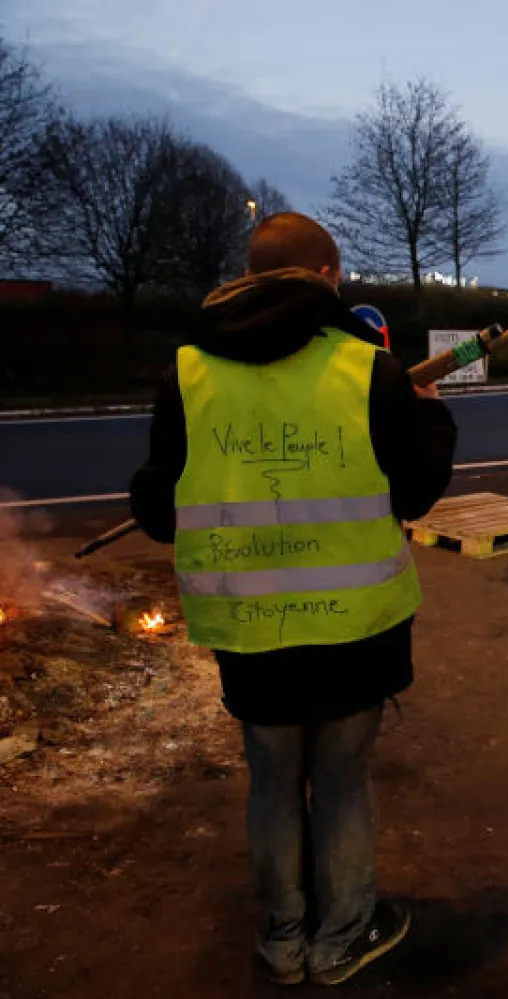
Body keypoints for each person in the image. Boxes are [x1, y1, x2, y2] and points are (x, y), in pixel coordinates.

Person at [129, 213, 457, 986]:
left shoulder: (187, 373)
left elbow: (155, 509)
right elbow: (417, 488)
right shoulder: (367, 372)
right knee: (341, 781)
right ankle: (342, 936)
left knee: (272, 780)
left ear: (247, 276)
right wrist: (433, 409)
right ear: (328, 278)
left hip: (248, 629)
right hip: (355, 631)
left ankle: (283, 938)